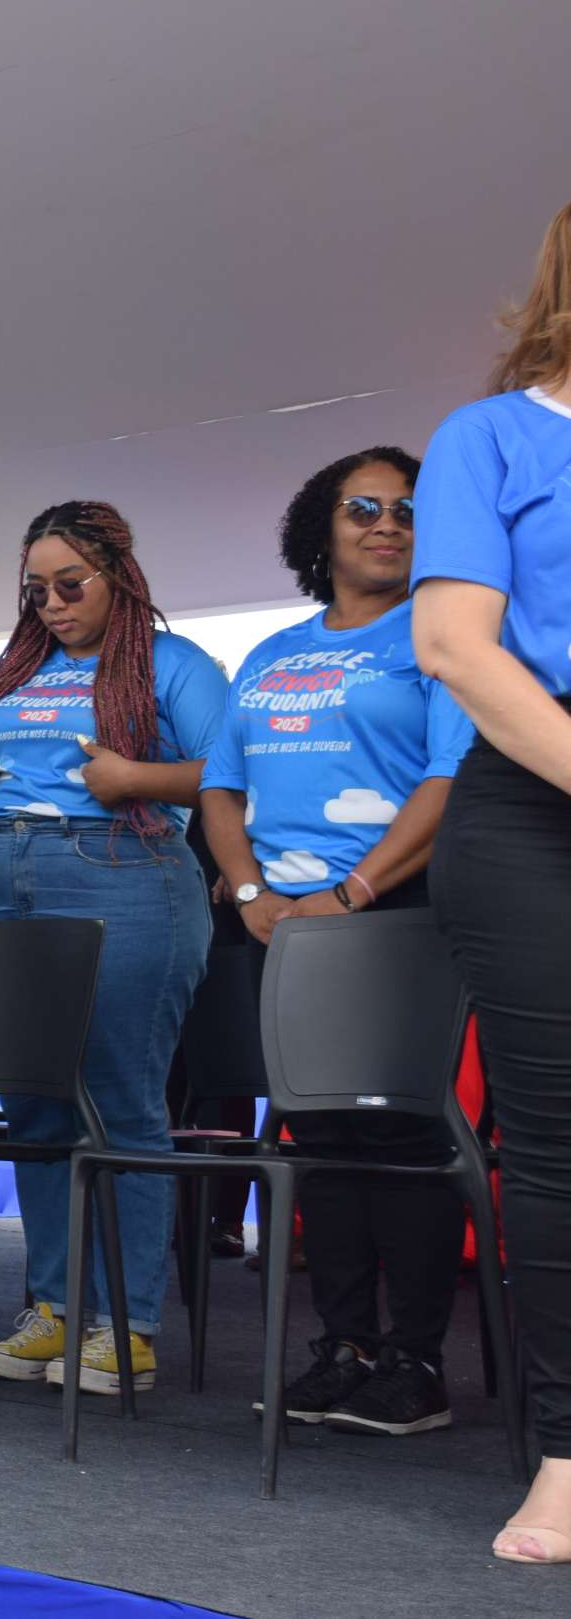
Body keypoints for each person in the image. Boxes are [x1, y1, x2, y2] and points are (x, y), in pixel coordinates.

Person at [0, 500, 225, 1396]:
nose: (51, 604)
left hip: (124, 873)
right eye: (36, 590)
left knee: (120, 1103)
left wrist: (136, 776)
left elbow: (234, 769)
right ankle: (55, 1308)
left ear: (117, 577)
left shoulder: (174, 663)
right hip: (8, 873)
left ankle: (125, 1328)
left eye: (69, 585)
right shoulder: (20, 669)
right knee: (35, 1104)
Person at [197, 447, 472, 1435]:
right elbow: (219, 786)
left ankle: (416, 1362)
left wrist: (351, 892)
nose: (386, 522)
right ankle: (345, 1345)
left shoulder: (439, 635)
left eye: (406, 509)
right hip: (282, 930)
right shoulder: (272, 653)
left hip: (391, 918)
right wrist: (249, 892)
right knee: (319, 1138)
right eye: (363, 507)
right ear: (323, 528)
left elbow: (448, 781)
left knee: (399, 1137)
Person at [412, 196, 571, 1567]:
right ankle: (570, 1455)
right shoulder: (495, 436)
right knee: (560, 1145)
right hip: (533, 801)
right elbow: (457, 644)